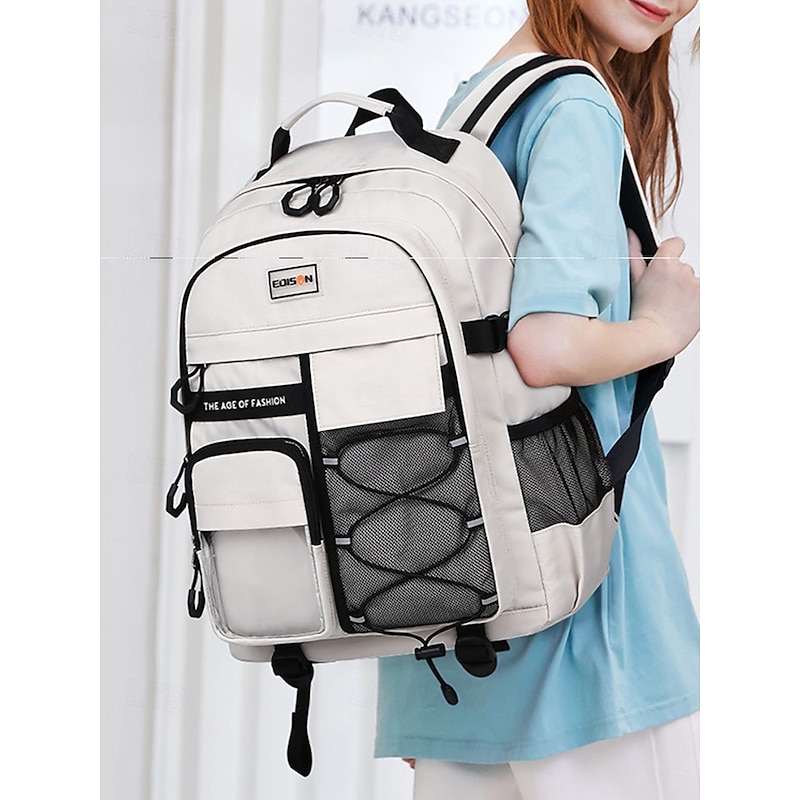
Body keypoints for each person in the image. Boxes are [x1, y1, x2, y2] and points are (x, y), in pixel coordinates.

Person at [373, 2, 701, 798]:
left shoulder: (469, 110)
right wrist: (662, 325)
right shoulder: (573, 101)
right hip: (588, 643)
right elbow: (545, 344)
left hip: (455, 646)